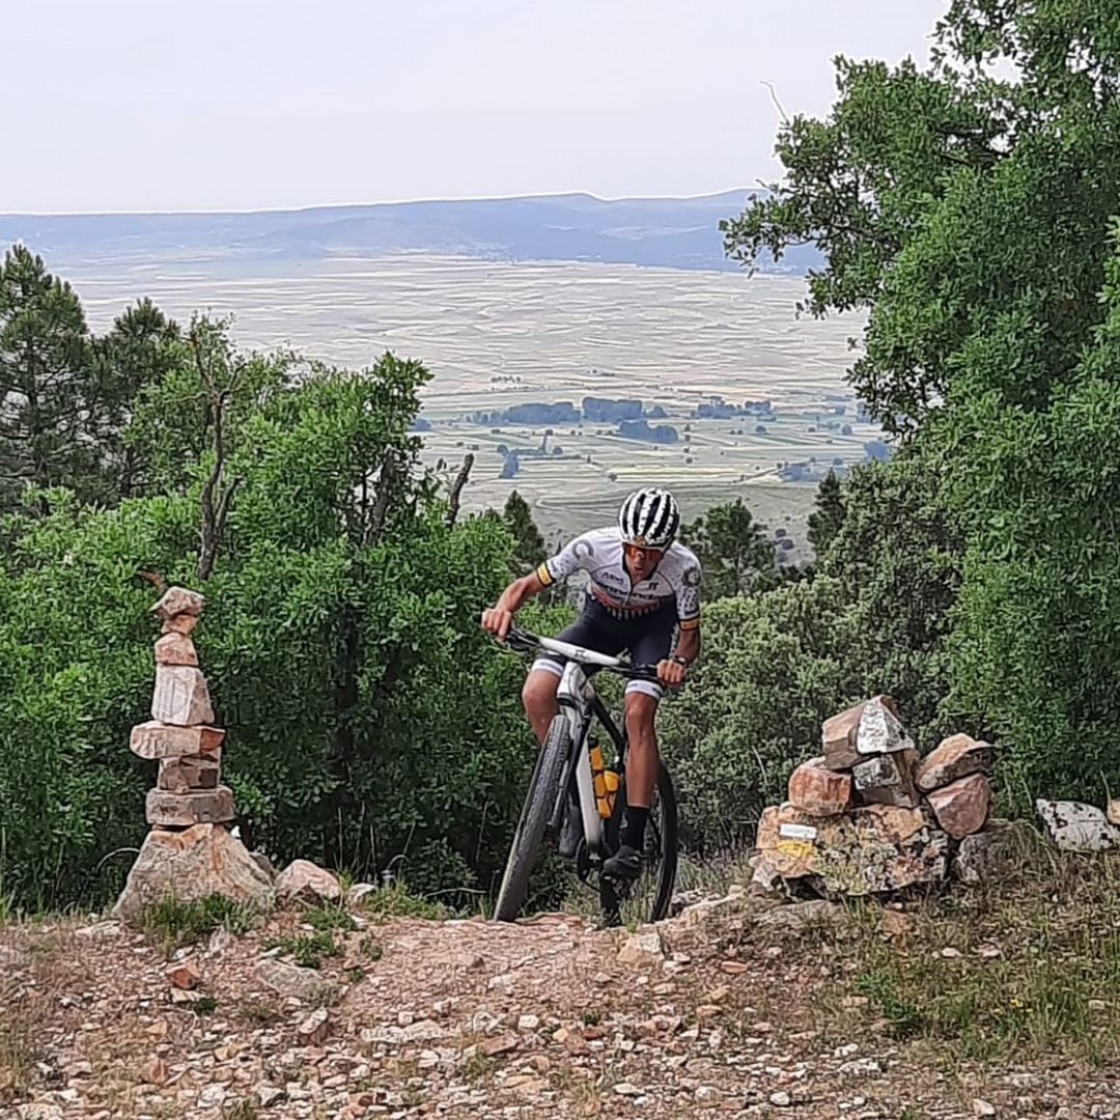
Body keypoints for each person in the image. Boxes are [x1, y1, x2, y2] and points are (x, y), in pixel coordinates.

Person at [481, 486, 702, 880]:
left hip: (650, 635)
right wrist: (503, 610)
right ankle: (569, 793)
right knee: (536, 693)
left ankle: (632, 842)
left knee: (637, 714)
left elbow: (688, 636)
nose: (638, 558)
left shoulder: (684, 569)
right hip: (596, 626)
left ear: (667, 547)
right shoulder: (590, 548)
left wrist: (678, 662)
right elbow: (527, 585)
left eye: (650, 551)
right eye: (632, 547)